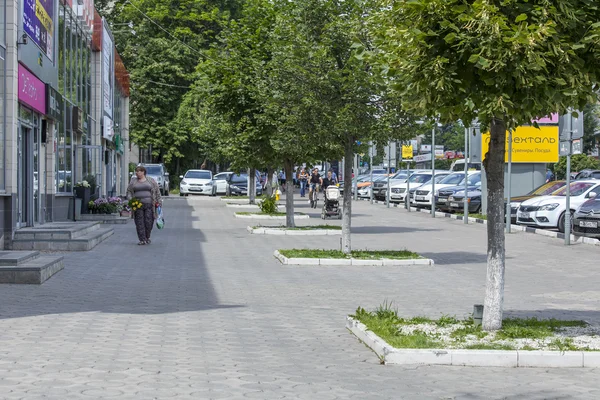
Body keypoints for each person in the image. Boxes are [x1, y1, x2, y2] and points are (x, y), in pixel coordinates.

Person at [127, 166, 162, 245]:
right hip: (137, 205)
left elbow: (157, 191)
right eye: (136, 171)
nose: (137, 173)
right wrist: (130, 199)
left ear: (143, 172)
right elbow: (128, 191)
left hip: (149, 204)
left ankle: (147, 236)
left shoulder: (150, 181)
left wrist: (159, 202)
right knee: (139, 222)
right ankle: (142, 239)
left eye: (139, 171)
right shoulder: (133, 182)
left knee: (149, 221)